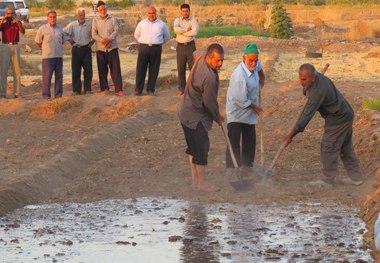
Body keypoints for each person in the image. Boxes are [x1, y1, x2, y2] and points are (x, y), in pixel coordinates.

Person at [284, 63, 365, 186]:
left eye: (304, 80)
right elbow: (306, 89)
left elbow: (306, 116)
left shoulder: (318, 91)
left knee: (328, 147)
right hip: (345, 113)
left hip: (338, 118)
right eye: (300, 79)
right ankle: (356, 178)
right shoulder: (318, 78)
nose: (301, 82)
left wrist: (292, 134)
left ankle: (327, 179)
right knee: (345, 147)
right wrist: (306, 90)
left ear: (313, 78)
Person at [178, 43, 224, 192]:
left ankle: (195, 183)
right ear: (208, 58)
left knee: (193, 150)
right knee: (201, 150)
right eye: (217, 61)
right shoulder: (209, 78)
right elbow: (209, 103)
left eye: (222, 60)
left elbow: (196, 51)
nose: (220, 64)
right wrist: (217, 116)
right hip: (195, 116)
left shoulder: (199, 58)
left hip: (184, 111)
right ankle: (201, 183)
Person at [225, 43, 265, 172]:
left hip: (249, 110)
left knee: (249, 137)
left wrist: (262, 81)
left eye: (255, 60)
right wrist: (256, 107)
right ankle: (232, 168)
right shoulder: (239, 76)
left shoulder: (256, 63)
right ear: (244, 58)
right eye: (250, 60)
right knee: (234, 140)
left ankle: (247, 165)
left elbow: (260, 70)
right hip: (237, 110)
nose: (253, 63)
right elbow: (240, 99)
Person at [134, 6, 170, 96]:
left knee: (154, 69)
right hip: (143, 48)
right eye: (149, 13)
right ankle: (138, 90)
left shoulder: (162, 24)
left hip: (156, 49)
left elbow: (167, 37)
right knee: (140, 69)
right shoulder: (142, 23)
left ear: (156, 13)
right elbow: (136, 35)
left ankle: (150, 89)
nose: (151, 15)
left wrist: (158, 43)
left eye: (153, 13)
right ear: (147, 13)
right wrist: (143, 42)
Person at [92, 1, 125, 96]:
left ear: (106, 8)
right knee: (102, 69)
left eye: (104, 8)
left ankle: (119, 89)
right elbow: (94, 34)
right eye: (101, 9)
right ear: (98, 10)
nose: (103, 10)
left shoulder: (113, 19)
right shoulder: (95, 20)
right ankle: (104, 88)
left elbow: (116, 30)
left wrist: (108, 39)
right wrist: (103, 41)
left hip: (112, 47)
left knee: (115, 69)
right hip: (100, 48)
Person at [64, 8, 95, 95]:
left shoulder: (90, 24)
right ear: (77, 15)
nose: (82, 16)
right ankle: (76, 90)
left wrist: (93, 41)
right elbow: (64, 32)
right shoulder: (72, 25)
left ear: (85, 15)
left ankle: (88, 89)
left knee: (88, 70)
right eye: (80, 15)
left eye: (83, 15)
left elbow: (96, 33)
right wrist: (69, 40)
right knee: (76, 70)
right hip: (76, 49)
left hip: (86, 49)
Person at [35, 10, 65, 99]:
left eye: (54, 17)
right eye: (51, 17)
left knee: (59, 77)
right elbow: (38, 41)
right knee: (47, 77)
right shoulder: (42, 28)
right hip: (48, 57)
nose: (53, 18)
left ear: (56, 18)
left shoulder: (60, 28)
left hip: (59, 56)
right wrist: (45, 48)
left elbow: (62, 40)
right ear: (47, 18)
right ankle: (46, 96)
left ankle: (58, 95)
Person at [0, 5, 25, 98]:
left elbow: (23, 31)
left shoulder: (17, 22)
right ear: (5, 14)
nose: (10, 15)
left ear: (14, 13)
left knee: (17, 70)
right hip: (5, 46)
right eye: (8, 13)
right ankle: (2, 93)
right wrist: (3, 20)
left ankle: (17, 93)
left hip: (15, 45)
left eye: (11, 13)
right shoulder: (3, 22)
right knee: (3, 71)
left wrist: (18, 22)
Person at [173, 3, 198, 95]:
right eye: (183, 11)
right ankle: (182, 89)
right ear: (181, 12)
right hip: (180, 47)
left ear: (189, 11)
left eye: (186, 11)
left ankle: (193, 89)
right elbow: (176, 30)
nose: (185, 13)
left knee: (193, 68)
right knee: (181, 68)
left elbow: (194, 32)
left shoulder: (194, 21)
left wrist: (182, 32)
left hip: (191, 46)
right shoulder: (177, 20)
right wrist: (187, 30)